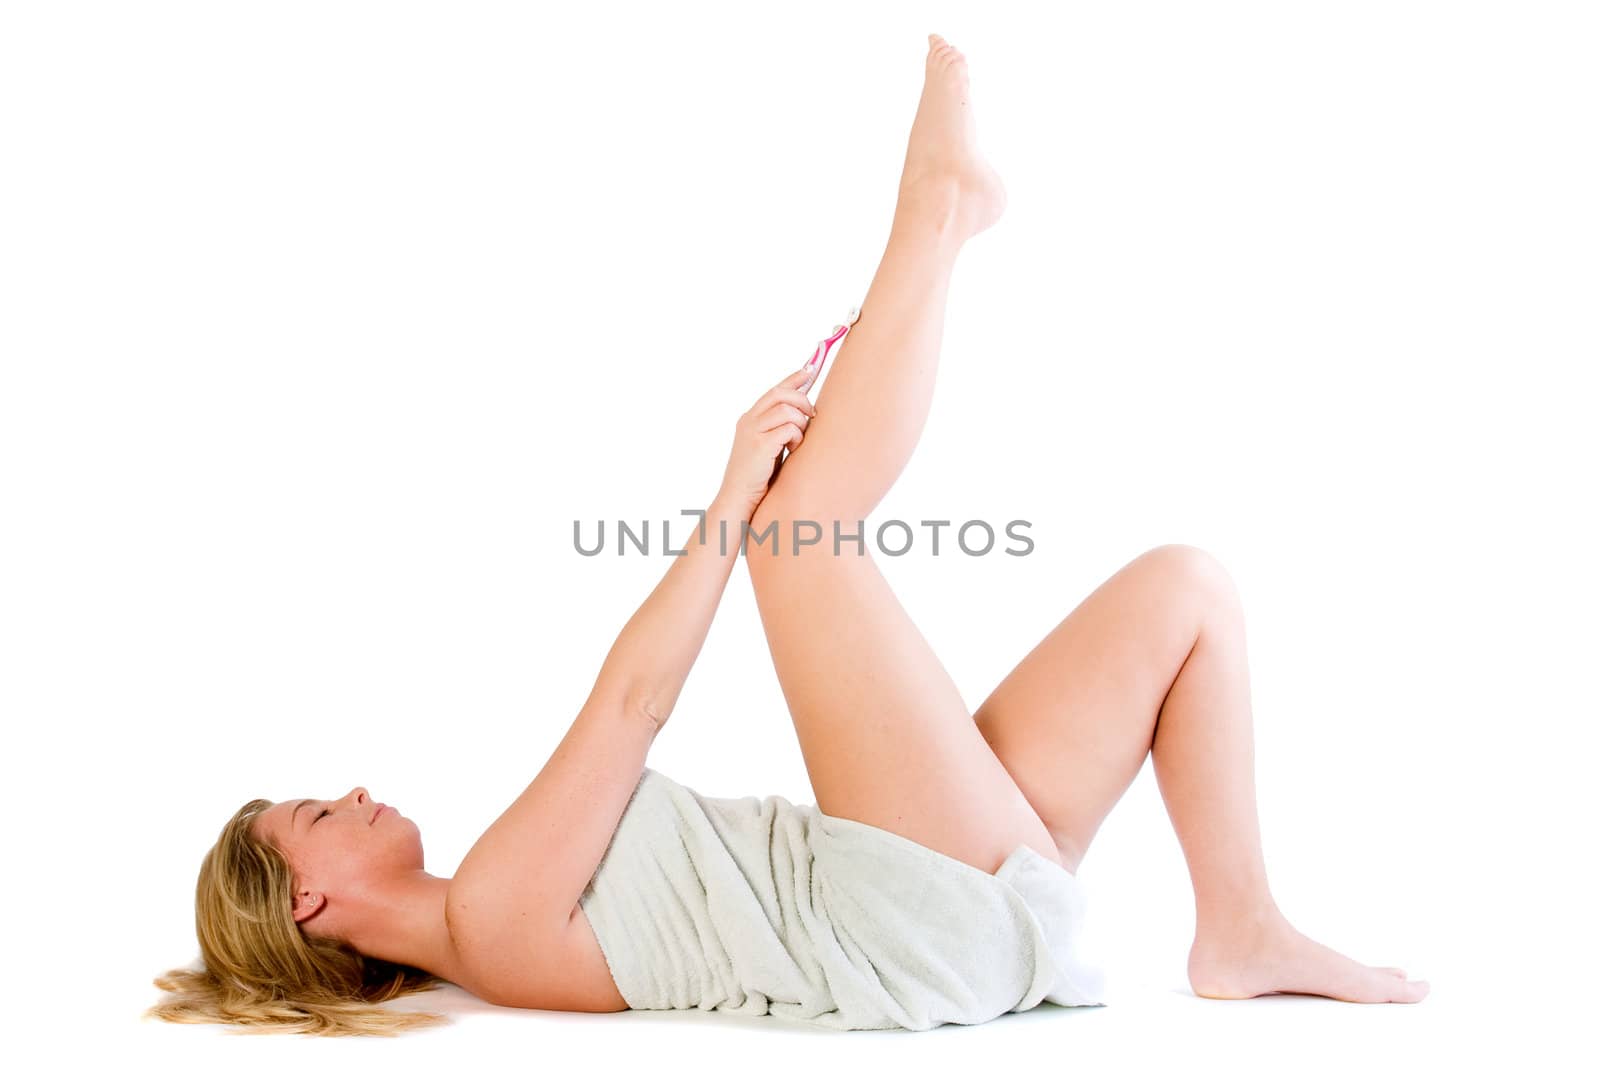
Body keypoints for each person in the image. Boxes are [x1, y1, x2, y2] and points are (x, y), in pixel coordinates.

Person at [149, 34, 1428, 1036]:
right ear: (310, 902)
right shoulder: (486, 915)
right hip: (899, 923)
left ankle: (1242, 924)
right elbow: (634, 701)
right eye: (321, 809)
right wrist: (726, 493)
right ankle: (933, 210)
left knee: (1185, 594)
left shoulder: (494, 925)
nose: (356, 789)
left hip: (914, 897)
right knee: (792, 529)